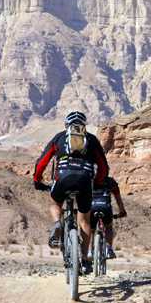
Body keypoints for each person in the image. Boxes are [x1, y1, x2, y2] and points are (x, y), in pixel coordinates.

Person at [33, 111, 109, 274]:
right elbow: (103, 167)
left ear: (66, 125)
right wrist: (97, 183)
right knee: (84, 221)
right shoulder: (92, 140)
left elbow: (42, 161)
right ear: (84, 125)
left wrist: (37, 179)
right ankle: (84, 259)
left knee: (55, 203)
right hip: (84, 182)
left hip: (62, 179)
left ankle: (57, 223)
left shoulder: (59, 138)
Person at [90, 176, 128, 259]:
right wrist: (122, 212)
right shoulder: (110, 181)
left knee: (90, 229)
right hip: (105, 208)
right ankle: (108, 249)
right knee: (108, 227)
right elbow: (118, 199)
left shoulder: (87, 179)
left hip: (91, 208)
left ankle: (89, 250)